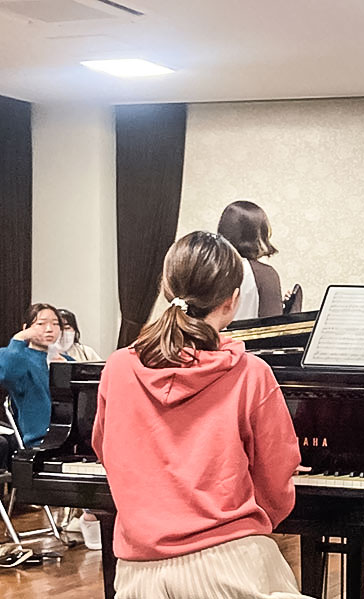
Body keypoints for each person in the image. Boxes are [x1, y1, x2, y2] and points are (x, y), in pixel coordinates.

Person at [92, 231, 308, 598]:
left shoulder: (117, 368)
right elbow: (276, 481)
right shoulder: (251, 373)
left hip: (139, 577)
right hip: (234, 565)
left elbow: (106, 452)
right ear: (232, 300)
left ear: (166, 289)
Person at [217, 200, 301, 319]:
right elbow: (273, 325)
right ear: (260, 235)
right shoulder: (265, 275)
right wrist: (292, 309)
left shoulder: (207, 268)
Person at [0, 304, 68, 448]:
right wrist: (19, 338)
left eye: (55, 324)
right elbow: (7, 374)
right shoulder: (15, 355)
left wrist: (67, 369)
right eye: (41, 324)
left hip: (68, 437)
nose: (49, 329)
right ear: (27, 328)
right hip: (38, 441)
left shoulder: (65, 360)